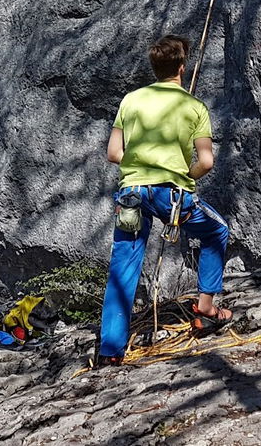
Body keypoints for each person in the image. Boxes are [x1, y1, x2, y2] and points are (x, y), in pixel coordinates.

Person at [96, 34, 231, 367]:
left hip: (131, 194)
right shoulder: (193, 106)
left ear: (154, 68)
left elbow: (114, 153)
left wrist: (142, 165)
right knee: (216, 232)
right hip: (172, 195)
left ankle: (110, 351)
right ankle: (205, 310)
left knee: (123, 267)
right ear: (182, 68)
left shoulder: (131, 100)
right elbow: (206, 161)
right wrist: (184, 173)